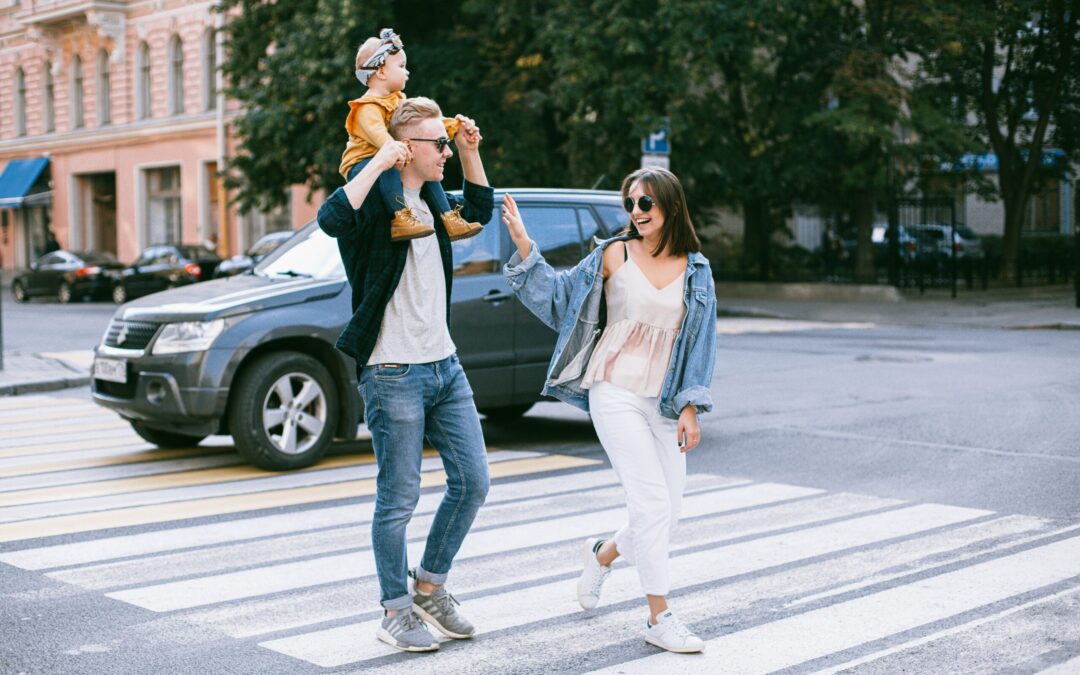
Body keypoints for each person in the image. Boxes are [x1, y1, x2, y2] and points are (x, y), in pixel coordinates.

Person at [501, 167, 717, 654]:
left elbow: (702, 343)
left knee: (670, 509)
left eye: (647, 204)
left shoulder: (696, 269)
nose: (637, 213)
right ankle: (659, 617)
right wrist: (523, 247)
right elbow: (559, 301)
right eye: (631, 204)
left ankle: (603, 553)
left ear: (672, 207)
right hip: (614, 389)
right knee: (652, 505)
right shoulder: (613, 253)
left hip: (663, 398)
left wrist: (690, 406)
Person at [317, 96, 492, 653]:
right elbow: (330, 219)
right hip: (392, 369)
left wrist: (469, 154)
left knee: (474, 482)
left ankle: (430, 588)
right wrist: (378, 160)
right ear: (405, 148)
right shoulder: (378, 205)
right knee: (399, 499)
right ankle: (395, 609)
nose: (443, 150)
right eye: (436, 144)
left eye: (445, 141)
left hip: (445, 364)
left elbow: (480, 210)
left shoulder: (436, 205)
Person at [340, 27, 482, 243]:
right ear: (381, 72)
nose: (407, 72)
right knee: (390, 167)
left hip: (391, 155)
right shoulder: (366, 108)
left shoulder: (398, 101)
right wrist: (393, 149)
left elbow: (421, 124)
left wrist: (454, 126)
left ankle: (449, 218)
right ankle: (400, 217)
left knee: (426, 169)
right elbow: (379, 135)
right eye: (401, 66)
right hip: (362, 164)